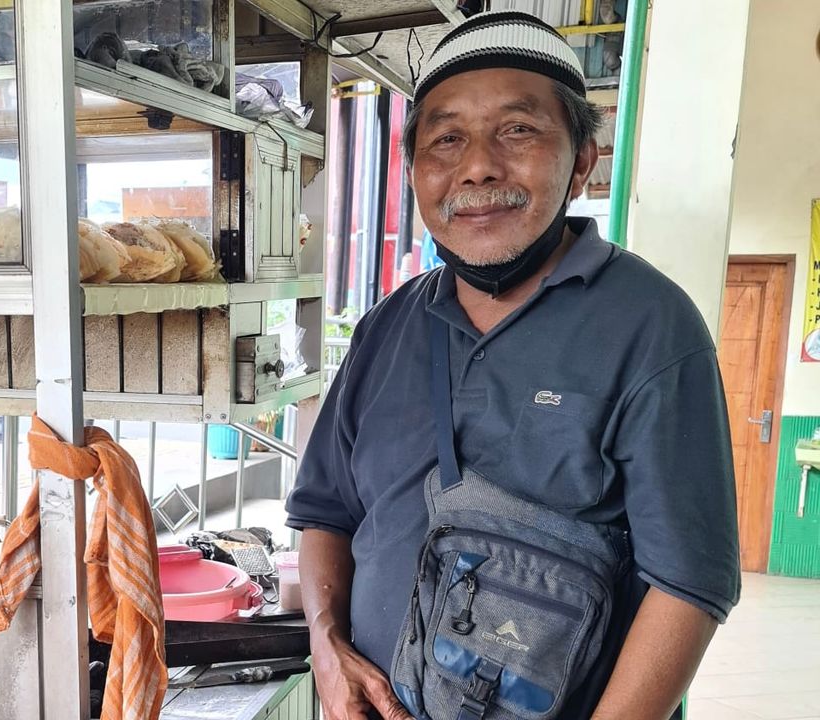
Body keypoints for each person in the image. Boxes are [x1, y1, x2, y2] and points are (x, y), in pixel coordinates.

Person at [285, 10, 740, 720]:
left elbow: (688, 584)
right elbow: (327, 514)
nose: (477, 166)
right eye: (446, 138)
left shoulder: (651, 327)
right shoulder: (384, 330)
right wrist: (326, 645)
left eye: (518, 130)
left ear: (583, 161)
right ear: (414, 170)